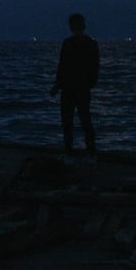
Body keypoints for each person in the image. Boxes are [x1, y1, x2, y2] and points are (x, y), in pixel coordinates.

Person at [49, 12, 99, 160]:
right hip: (82, 88)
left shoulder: (68, 43)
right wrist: (90, 84)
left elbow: (62, 67)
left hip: (69, 88)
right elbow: (95, 68)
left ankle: (70, 152)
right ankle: (90, 152)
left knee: (68, 122)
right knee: (85, 120)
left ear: (71, 26)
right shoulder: (91, 44)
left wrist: (57, 86)